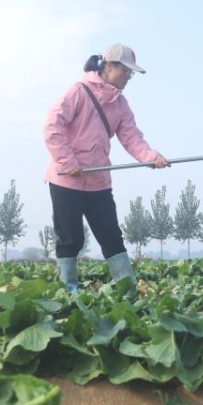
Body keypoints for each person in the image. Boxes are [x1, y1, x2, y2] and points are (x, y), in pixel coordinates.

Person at [43, 43, 169, 293]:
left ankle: (128, 289)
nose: (128, 78)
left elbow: (132, 138)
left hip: (98, 181)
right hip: (66, 180)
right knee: (71, 238)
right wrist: (68, 163)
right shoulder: (77, 92)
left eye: (131, 74)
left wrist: (151, 157)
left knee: (111, 236)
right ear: (109, 67)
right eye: (126, 72)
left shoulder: (121, 105)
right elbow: (51, 129)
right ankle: (68, 292)